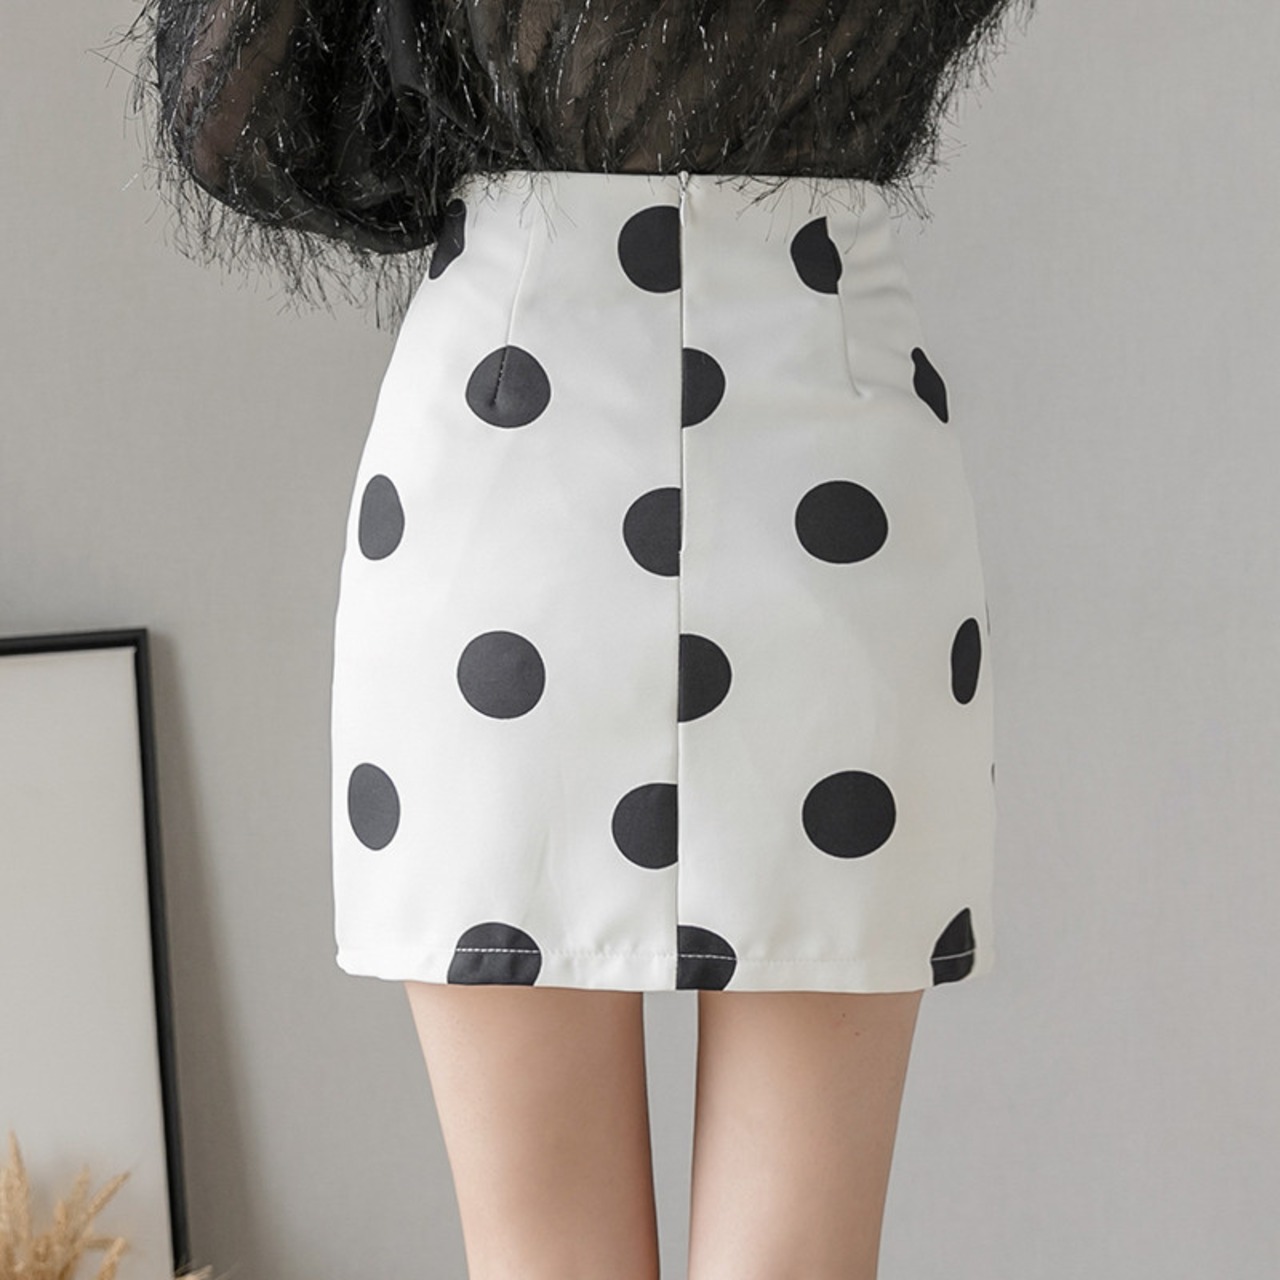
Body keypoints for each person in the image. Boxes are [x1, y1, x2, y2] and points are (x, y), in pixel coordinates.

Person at [124, 2, 1036, 1276]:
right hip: (826, 456)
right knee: (794, 1255)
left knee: (547, 1251)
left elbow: (231, 123)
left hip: (511, 456)